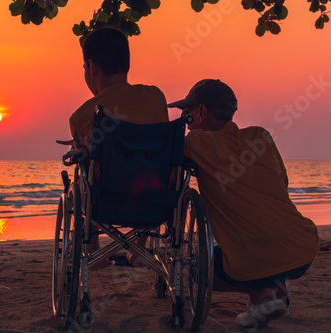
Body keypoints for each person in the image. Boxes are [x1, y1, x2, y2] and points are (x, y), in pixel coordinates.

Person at [167, 79, 320, 328]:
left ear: (202, 112)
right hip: (303, 248)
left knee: (198, 272)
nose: (186, 120)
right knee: (269, 249)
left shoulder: (196, 144)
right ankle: (277, 290)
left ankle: (261, 295)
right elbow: (283, 183)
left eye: (187, 114)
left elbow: (164, 162)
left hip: (251, 260)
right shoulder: (261, 136)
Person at [69, 27, 169, 267]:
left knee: (87, 173)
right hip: (155, 199)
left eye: (84, 68)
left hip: (108, 200)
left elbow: (88, 160)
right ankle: (140, 248)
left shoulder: (82, 116)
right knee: (150, 163)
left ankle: (94, 249)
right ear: (127, 64)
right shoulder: (155, 96)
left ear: (92, 67)